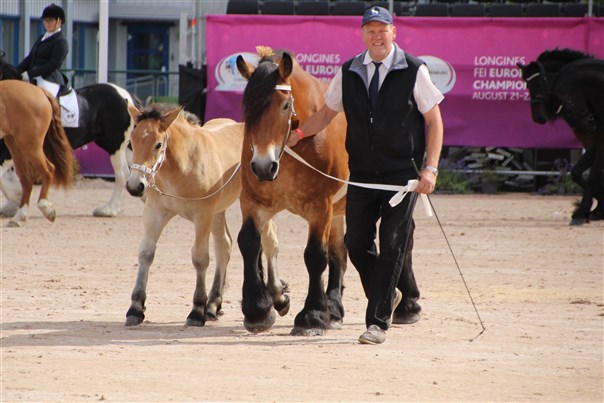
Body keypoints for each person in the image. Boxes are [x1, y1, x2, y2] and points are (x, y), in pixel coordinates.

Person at [286, 6, 444, 344]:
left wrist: (430, 168)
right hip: (361, 176)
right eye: (370, 29)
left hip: (402, 177)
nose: (376, 34)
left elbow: (434, 120)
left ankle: (377, 322)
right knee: (355, 243)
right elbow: (327, 113)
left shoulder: (414, 70)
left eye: (382, 28)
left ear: (393, 32)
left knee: (391, 245)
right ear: (362, 34)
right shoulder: (349, 70)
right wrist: (298, 135)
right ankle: (386, 295)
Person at [17, 3, 69, 97]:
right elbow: (30, 58)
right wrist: (16, 71)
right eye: (45, 21)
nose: (47, 23)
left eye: (50, 20)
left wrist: (30, 73)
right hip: (32, 75)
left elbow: (53, 65)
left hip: (48, 79)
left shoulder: (61, 42)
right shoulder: (41, 38)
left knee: (46, 98)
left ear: (59, 22)